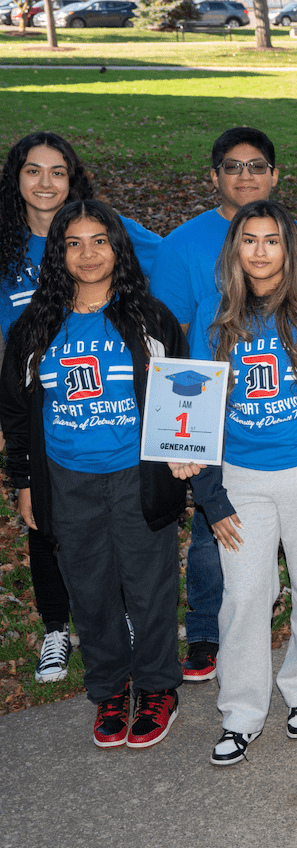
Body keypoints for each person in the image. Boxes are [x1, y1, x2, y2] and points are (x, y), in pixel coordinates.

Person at [149, 127, 297, 685]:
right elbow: (178, 355)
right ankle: (232, 688)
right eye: (232, 167)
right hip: (237, 459)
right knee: (242, 585)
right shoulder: (194, 268)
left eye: (257, 166)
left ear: (275, 175)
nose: (245, 176)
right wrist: (182, 446)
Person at [178, 199, 297, 766]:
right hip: (242, 476)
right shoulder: (213, 315)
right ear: (234, 248)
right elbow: (198, 415)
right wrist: (211, 496)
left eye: (272, 240)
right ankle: (241, 711)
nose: (260, 251)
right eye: (249, 239)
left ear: (290, 248)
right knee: (245, 595)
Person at [0, 200, 187, 748]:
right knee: (90, 588)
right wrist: (25, 482)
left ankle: (157, 688)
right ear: (58, 254)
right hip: (66, 478)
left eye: (99, 240)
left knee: (149, 586)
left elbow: (180, 395)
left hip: (136, 475)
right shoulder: (34, 326)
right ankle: (108, 688)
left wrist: (180, 456)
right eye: (74, 243)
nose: (88, 253)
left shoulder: (149, 318)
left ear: (117, 248)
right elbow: (15, 412)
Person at [0, 131, 161, 685]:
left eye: (58, 172)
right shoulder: (9, 249)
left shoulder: (108, 234)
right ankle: (57, 628)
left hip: (113, 405)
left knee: (125, 542)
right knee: (49, 518)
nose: (45, 183)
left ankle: (127, 628)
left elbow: (165, 263)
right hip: (34, 383)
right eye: (32, 171)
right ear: (15, 177)